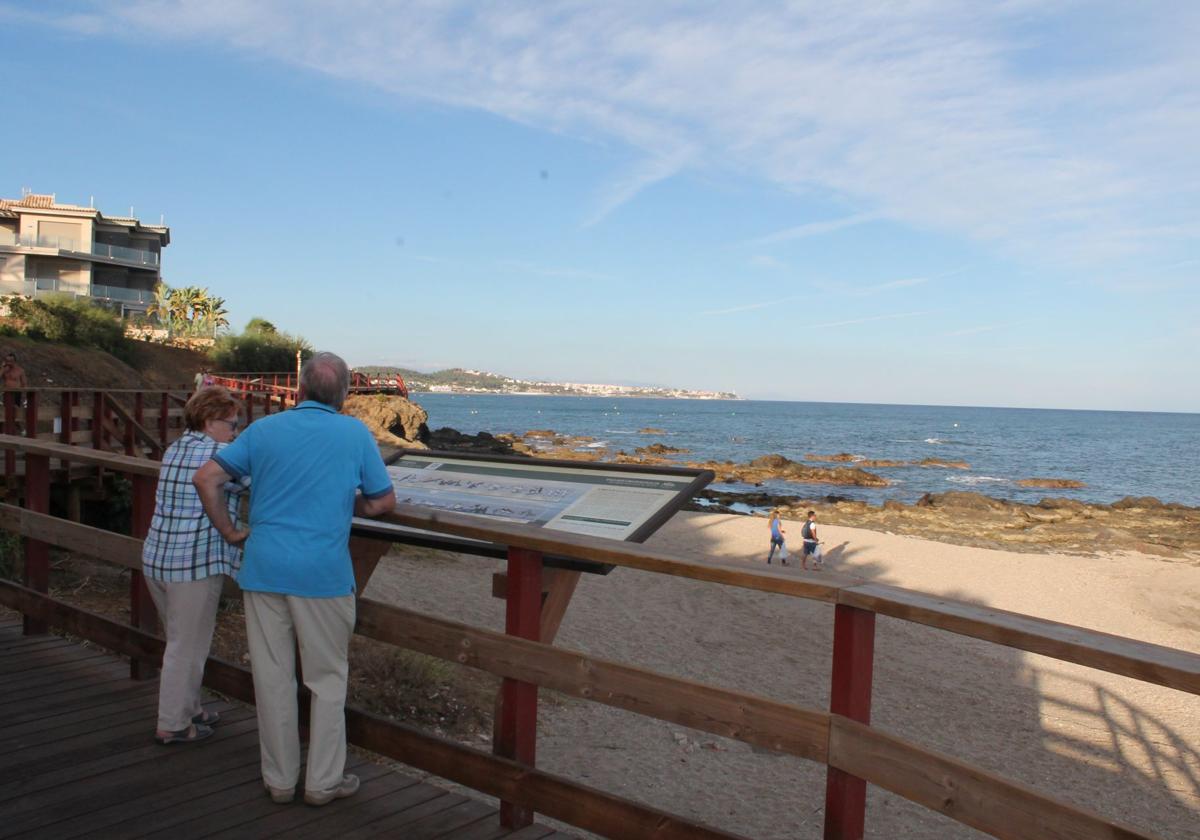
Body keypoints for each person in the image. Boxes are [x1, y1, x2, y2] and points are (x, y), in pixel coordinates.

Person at [194, 352, 396, 807]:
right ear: (344, 395)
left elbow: (207, 478)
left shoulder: (264, 430)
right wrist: (349, 504)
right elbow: (383, 502)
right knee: (325, 680)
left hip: (264, 569)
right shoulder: (353, 433)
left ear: (300, 390)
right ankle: (323, 781)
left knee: (272, 677)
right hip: (322, 575)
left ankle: (280, 779)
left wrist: (229, 531)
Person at [141, 386, 248, 745]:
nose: (236, 433)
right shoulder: (221, 454)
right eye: (232, 425)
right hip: (193, 564)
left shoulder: (176, 447)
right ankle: (172, 725)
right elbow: (255, 482)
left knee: (182, 641)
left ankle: (190, 709)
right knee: (186, 647)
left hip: (157, 557)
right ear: (209, 421)